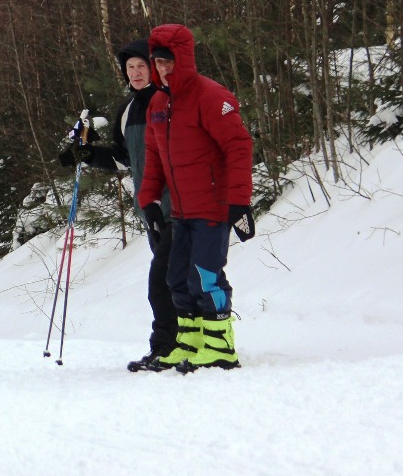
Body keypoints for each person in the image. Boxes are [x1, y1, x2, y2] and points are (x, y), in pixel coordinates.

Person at [137, 24, 255, 372]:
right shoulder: (158, 103)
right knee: (176, 278)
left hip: (213, 207)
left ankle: (221, 346)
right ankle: (191, 343)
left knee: (206, 276)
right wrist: (149, 201)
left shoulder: (210, 96)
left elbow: (238, 147)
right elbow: (153, 156)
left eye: (169, 62)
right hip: (181, 210)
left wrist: (238, 200)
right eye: (158, 63)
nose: (163, 69)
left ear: (183, 60)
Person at [58, 39, 176, 372]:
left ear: (153, 68)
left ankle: (170, 346)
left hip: (181, 205)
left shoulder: (168, 99)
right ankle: (184, 344)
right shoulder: (126, 110)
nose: (136, 73)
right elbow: (123, 159)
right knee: (172, 280)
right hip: (151, 209)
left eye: (141, 66)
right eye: (130, 68)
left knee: (164, 280)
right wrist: (84, 153)